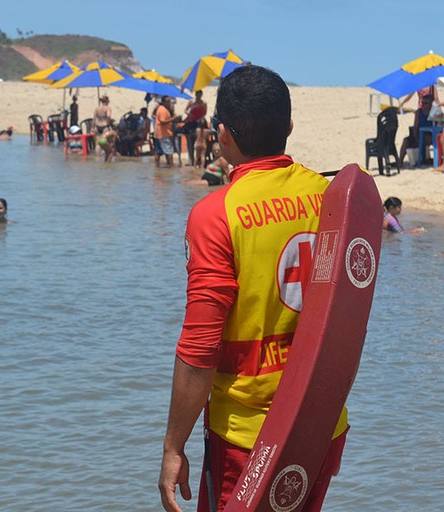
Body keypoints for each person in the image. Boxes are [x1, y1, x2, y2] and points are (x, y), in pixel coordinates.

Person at [159, 65, 348, 512]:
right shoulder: (328, 196)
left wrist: (173, 446)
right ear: (289, 127)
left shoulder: (215, 215)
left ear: (222, 135)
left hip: (249, 441)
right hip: (324, 425)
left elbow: (200, 349)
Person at [399, 94, 435, 166]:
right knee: (406, 141)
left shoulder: (435, 112)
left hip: (431, 135)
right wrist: (417, 138)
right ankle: (400, 162)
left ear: (431, 104)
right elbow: (416, 127)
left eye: (426, 103)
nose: (423, 105)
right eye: (422, 103)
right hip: (420, 135)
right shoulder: (419, 112)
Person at [154, 97, 181, 168]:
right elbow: (162, 121)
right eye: (167, 101)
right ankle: (171, 166)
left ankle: (157, 167)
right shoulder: (162, 110)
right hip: (163, 133)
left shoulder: (161, 108)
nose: (169, 103)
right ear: (163, 102)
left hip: (159, 133)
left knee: (158, 151)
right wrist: (173, 118)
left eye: (169, 101)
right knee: (169, 150)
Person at [183, 90, 208, 165]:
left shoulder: (204, 103)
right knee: (191, 139)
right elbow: (185, 110)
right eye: (197, 95)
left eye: (200, 95)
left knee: (202, 138)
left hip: (200, 121)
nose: (198, 96)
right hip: (192, 121)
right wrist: (189, 114)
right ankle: (192, 160)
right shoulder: (191, 102)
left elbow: (205, 112)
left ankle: (200, 159)